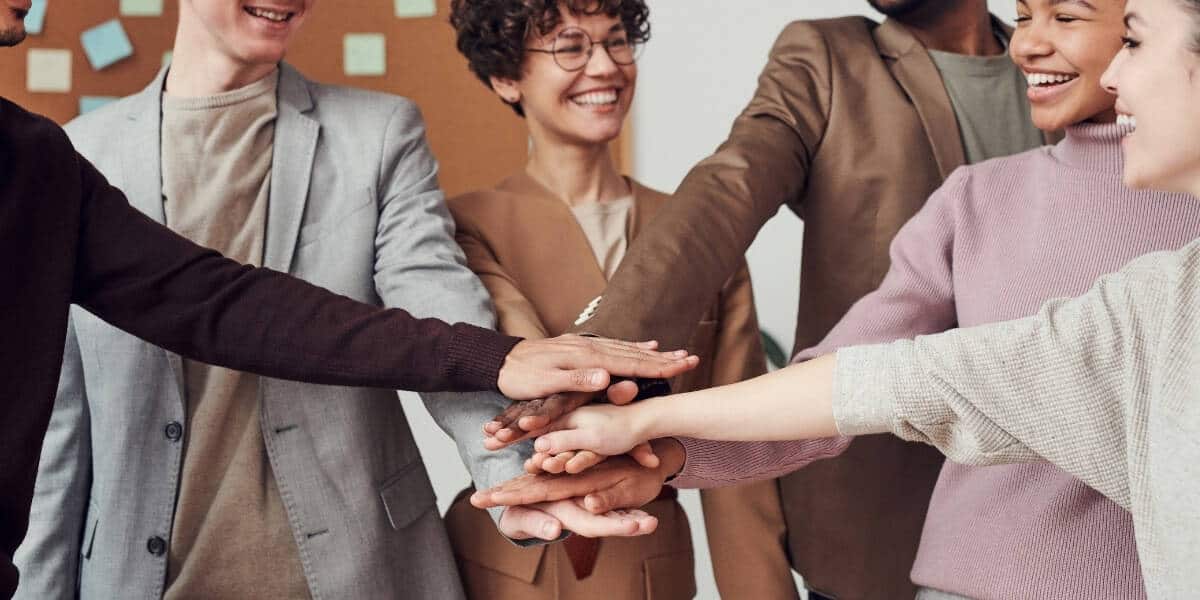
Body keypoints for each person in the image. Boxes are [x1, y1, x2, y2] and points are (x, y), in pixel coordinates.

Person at [474, 1, 1200, 596]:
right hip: (928, 556)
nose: (1035, 43)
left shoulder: (1166, 257)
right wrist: (645, 429)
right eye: (1029, 15)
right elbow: (731, 209)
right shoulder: (974, 192)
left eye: (1075, 20)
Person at [0, 1, 695, 596]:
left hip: (353, 570)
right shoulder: (74, 152)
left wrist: (508, 472)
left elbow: (417, 300)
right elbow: (54, 414)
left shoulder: (378, 134)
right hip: (135, 573)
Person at [443, 1, 770, 598]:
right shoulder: (465, 226)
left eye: (617, 42)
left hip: (651, 561)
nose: (605, 66)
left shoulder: (696, 227)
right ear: (505, 77)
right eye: (570, 47)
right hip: (502, 565)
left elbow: (744, 435)